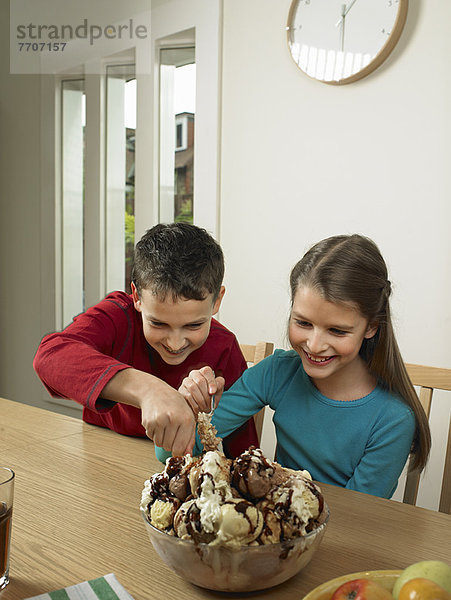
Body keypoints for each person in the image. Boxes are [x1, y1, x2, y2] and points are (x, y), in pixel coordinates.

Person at [180, 234, 431, 499]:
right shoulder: (278, 372)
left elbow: (361, 517)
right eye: (303, 323)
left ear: (371, 327)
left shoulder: (393, 420)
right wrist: (186, 406)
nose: (314, 344)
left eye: (336, 330)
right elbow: (179, 448)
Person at [33, 222, 258, 458]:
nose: (174, 343)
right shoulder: (117, 316)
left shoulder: (225, 348)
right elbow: (49, 357)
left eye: (194, 325)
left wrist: (209, 414)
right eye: (158, 323)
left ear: (217, 300)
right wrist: (149, 390)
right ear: (137, 296)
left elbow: (244, 454)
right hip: (99, 454)